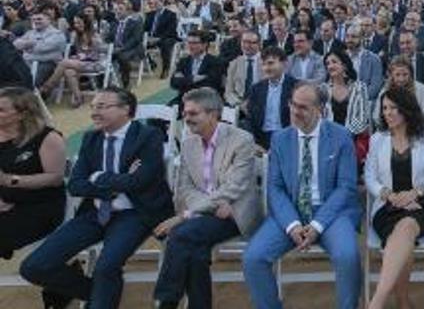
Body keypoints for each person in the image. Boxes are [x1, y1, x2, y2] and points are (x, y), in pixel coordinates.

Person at [21, 87, 175, 309]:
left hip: (134, 213)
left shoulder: (148, 136)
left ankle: (103, 298)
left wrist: (97, 177)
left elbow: (140, 181)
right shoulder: (91, 138)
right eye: (93, 106)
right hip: (94, 213)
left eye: (102, 106)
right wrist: (111, 184)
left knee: (106, 267)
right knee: (34, 266)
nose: (94, 112)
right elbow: (75, 185)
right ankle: (99, 296)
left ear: (126, 109)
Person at [243, 83, 362, 309]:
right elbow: (275, 188)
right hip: (291, 212)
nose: (295, 112)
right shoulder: (280, 139)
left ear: (320, 110)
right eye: (293, 105)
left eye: (303, 107)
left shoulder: (341, 137)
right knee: (253, 258)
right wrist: (292, 225)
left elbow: (346, 188)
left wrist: (317, 225)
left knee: (348, 258)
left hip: (332, 212)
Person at [153, 88, 261, 309]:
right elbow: (184, 187)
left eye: (193, 113)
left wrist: (186, 215)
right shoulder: (188, 144)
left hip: (235, 214)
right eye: (185, 112)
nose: (187, 118)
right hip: (212, 212)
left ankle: (167, 300)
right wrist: (205, 208)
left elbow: (234, 188)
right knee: (196, 252)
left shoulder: (241, 140)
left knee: (180, 234)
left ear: (213, 115)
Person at [363, 87, 424, 309]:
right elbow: (369, 175)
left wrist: (415, 192)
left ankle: (377, 302)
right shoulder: (378, 139)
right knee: (402, 242)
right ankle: (402, 301)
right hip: (386, 207)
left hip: (419, 205)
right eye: (385, 108)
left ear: (406, 110)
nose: (387, 113)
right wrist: (386, 193)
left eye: (393, 108)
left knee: (405, 229)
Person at [0, 87, 65, 260]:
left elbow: (55, 178)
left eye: (1, 110)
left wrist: (9, 180)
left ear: (22, 114)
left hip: (38, 207)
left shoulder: (47, 138)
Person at [39, 14, 107, 107]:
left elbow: (101, 53)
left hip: (95, 63)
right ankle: (78, 96)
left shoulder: (94, 36)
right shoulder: (75, 35)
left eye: (79, 22)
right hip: (81, 62)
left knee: (64, 63)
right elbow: (78, 52)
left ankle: (47, 87)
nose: (76, 25)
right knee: (68, 71)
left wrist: (83, 56)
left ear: (85, 23)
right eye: (75, 23)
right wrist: (78, 57)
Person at [321, 50, 370, 163]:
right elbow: (321, 119)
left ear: (344, 65)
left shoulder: (359, 87)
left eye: (334, 62)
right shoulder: (323, 89)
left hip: (353, 141)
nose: (330, 66)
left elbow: (362, 119)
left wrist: (342, 137)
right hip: (329, 143)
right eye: (327, 63)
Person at [243, 46, 296, 149]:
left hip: (288, 137)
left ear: (284, 63)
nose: (267, 68)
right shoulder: (256, 89)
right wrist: (253, 143)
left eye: (271, 63)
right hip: (262, 138)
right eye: (264, 64)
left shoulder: (295, 87)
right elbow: (250, 119)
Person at [374, 56, 424, 129]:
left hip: (416, 130)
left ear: (411, 74)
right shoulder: (385, 91)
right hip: (391, 132)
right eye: (397, 75)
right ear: (392, 75)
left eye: (405, 74)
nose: (401, 79)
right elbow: (377, 117)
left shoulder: (421, 89)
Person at [170, 30, 225, 108]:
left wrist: (184, 80)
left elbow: (211, 84)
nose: (190, 46)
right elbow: (173, 82)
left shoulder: (215, 62)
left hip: (206, 101)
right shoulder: (183, 61)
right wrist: (192, 79)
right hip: (183, 100)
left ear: (204, 45)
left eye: (194, 43)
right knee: (155, 119)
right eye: (188, 42)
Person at [13, 9, 66, 87]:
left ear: (49, 20)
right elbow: (15, 44)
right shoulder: (30, 33)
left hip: (47, 64)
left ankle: (31, 96)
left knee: (29, 82)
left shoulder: (57, 34)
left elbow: (41, 48)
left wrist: (27, 46)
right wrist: (32, 43)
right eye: (33, 19)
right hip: (26, 63)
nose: (36, 21)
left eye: (39, 19)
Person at [106, 0, 144, 89]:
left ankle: (126, 81)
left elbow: (136, 39)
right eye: (116, 9)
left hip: (132, 48)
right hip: (115, 48)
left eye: (120, 9)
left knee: (122, 56)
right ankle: (104, 81)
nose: (118, 11)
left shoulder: (135, 22)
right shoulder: (114, 23)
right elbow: (109, 38)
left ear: (127, 11)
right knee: (103, 56)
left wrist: (122, 48)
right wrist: (107, 46)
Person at [224, 30, 263, 110]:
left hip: (262, 105)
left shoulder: (267, 62)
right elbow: (228, 92)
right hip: (239, 106)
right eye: (244, 42)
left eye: (251, 42)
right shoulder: (234, 63)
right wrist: (240, 105)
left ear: (259, 44)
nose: (247, 46)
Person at [345, 25, 384, 101]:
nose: (349, 40)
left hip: (365, 103)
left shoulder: (374, 59)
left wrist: (358, 100)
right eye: (347, 36)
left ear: (362, 38)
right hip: (343, 102)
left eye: (353, 37)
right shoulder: (340, 57)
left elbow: (375, 87)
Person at [145, 0, 179, 79]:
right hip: (151, 38)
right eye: (154, 3)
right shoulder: (149, 15)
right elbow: (145, 29)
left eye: (158, 2)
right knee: (139, 43)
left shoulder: (171, 14)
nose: (156, 5)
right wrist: (147, 38)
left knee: (165, 44)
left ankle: (166, 68)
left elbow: (171, 31)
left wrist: (158, 39)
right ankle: (151, 63)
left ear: (163, 2)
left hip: (167, 37)